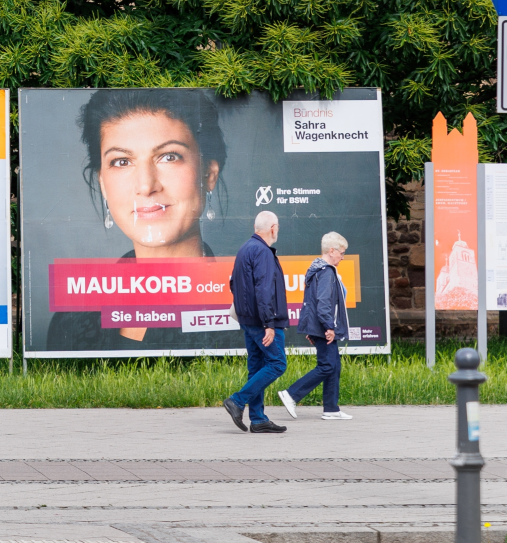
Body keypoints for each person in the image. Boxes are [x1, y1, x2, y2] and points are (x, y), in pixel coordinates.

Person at [45, 88, 233, 350]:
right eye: (122, 161)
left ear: (208, 174)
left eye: (169, 156)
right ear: (102, 182)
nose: (146, 186)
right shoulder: (72, 321)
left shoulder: (251, 309)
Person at [224, 210, 289, 433]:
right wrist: (269, 323)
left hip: (249, 320)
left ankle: (259, 419)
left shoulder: (245, 249)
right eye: (277, 226)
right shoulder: (262, 251)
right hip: (262, 321)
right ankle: (237, 400)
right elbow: (264, 290)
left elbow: (233, 284)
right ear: (272, 228)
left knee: (257, 367)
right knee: (278, 363)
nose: (278, 230)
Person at [279, 232, 354, 420]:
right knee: (327, 365)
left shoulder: (316, 269)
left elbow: (310, 302)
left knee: (334, 365)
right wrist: (329, 327)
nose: (343, 257)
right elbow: (323, 303)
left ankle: (331, 409)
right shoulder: (326, 271)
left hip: (319, 325)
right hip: (325, 326)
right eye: (341, 253)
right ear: (331, 251)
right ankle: (291, 394)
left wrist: (312, 326)